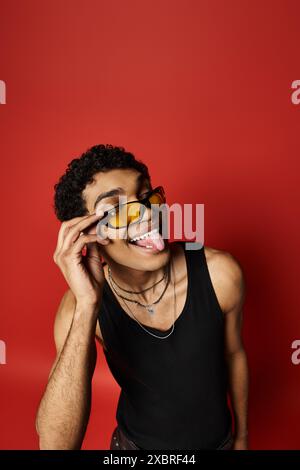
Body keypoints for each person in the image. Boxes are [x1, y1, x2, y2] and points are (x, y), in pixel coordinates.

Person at [35, 144, 249, 450]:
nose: (147, 213)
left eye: (146, 194)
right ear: (88, 233)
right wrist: (87, 306)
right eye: (115, 209)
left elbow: (234, 354)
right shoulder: (77, 308)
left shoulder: (221, 274)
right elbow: (55, 445)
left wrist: (241, 438)